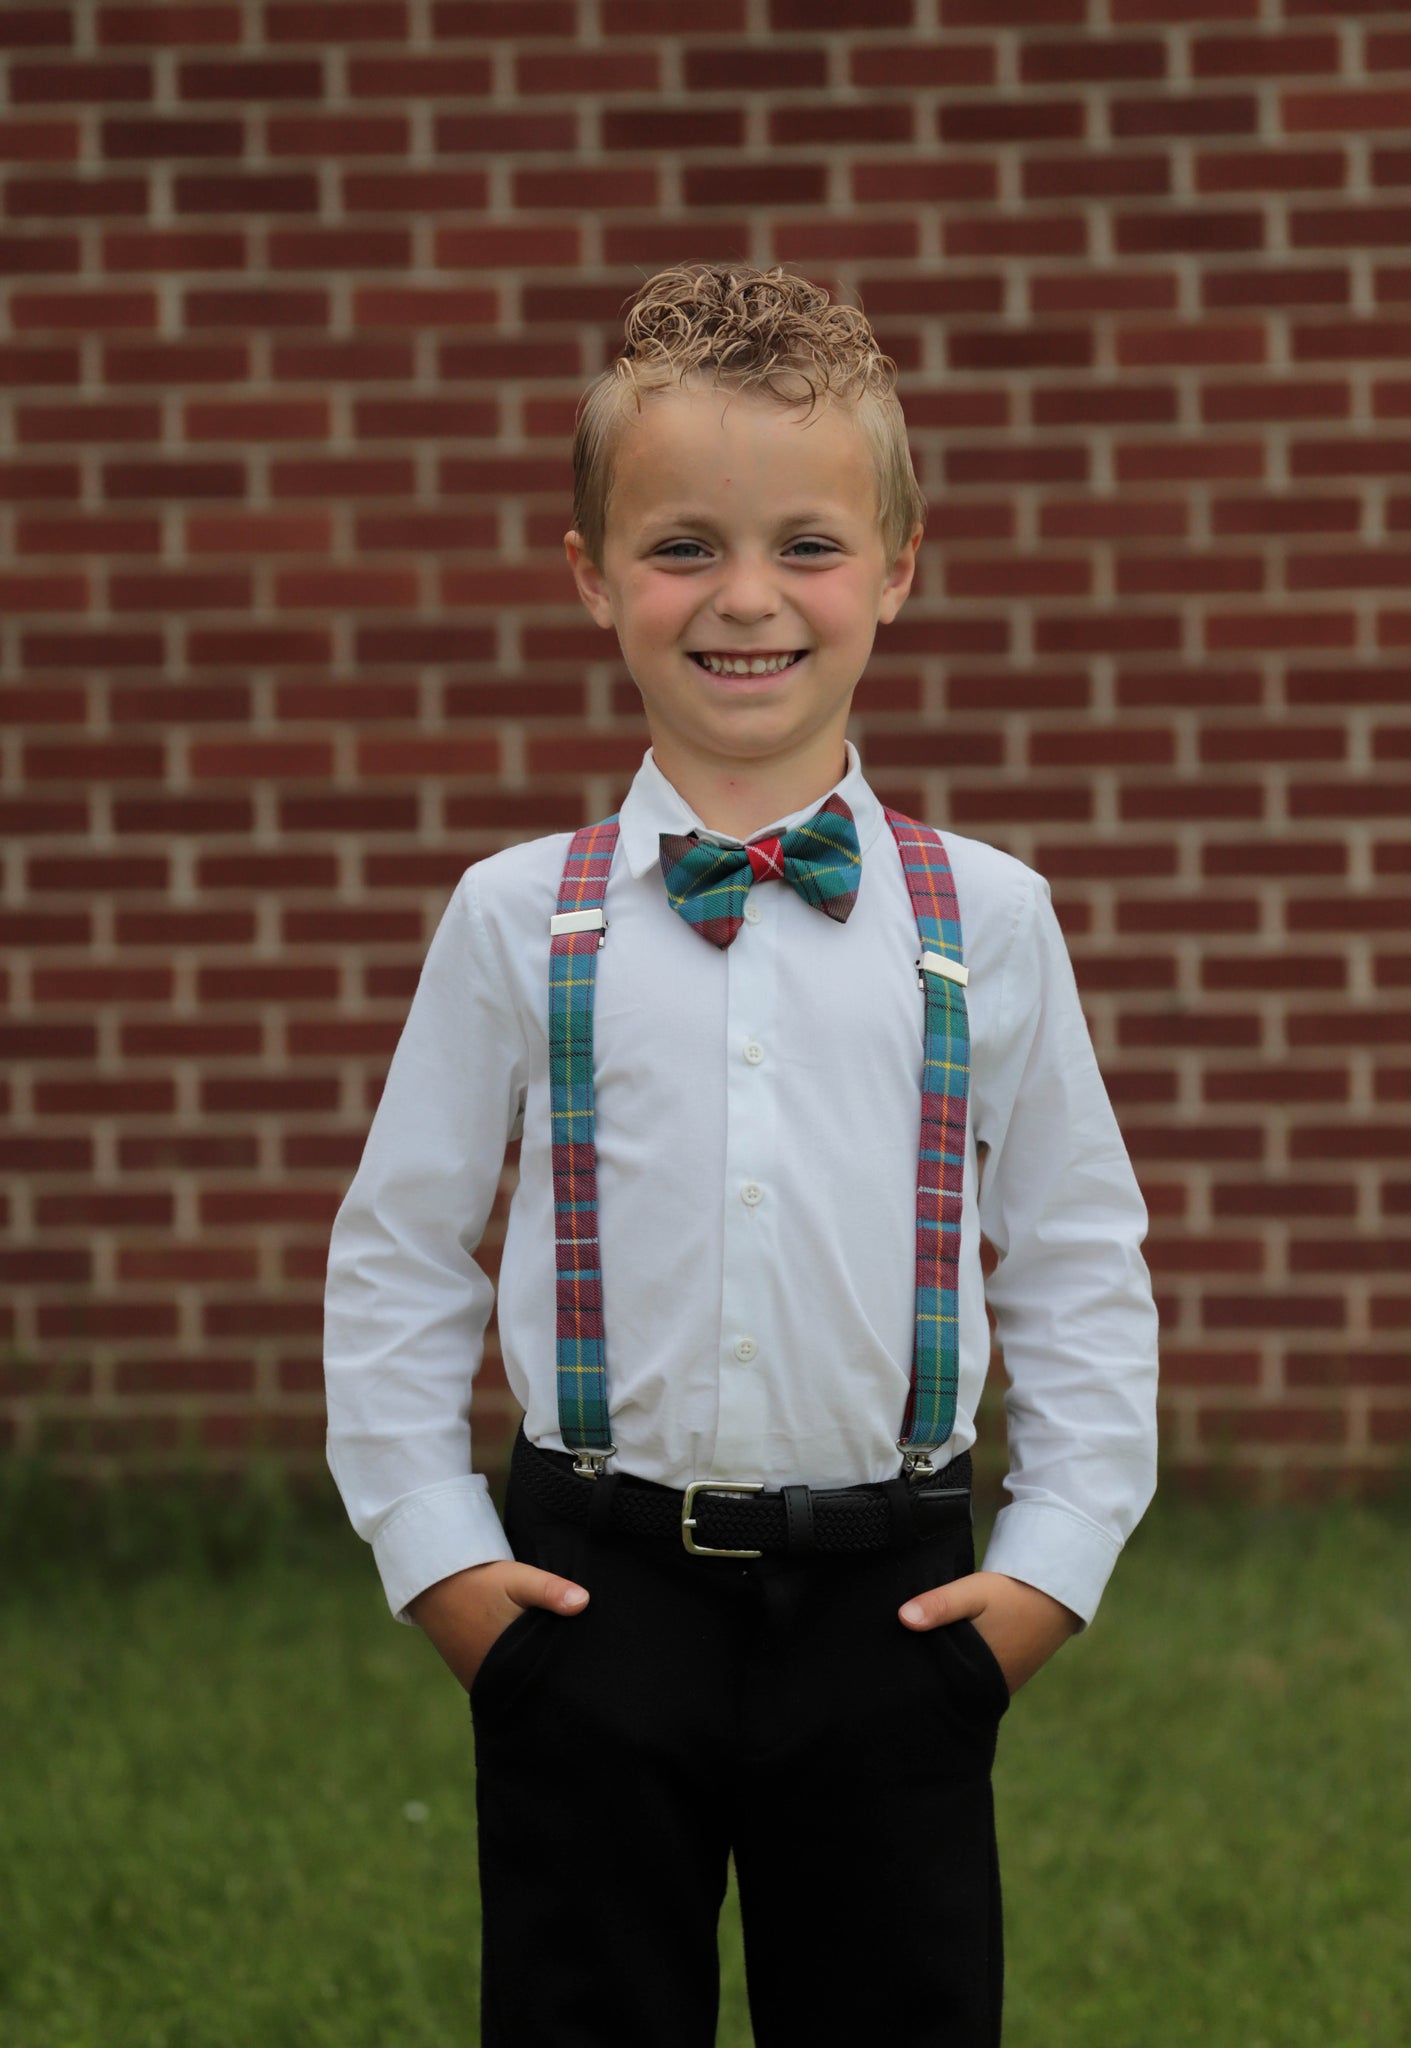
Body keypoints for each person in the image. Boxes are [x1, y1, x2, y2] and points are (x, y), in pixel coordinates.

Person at [322, 261, 1159, 2048]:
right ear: (592, 577)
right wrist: (445, 1562)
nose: (749, 599)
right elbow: (401, 1248)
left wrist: (1053, 1563)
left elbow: (1078, 1246)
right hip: (585, 1595)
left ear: (901, 566)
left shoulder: (990, 919)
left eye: (809, 544)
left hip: (901, 1606)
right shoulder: (514, 919)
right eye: (684, 545)